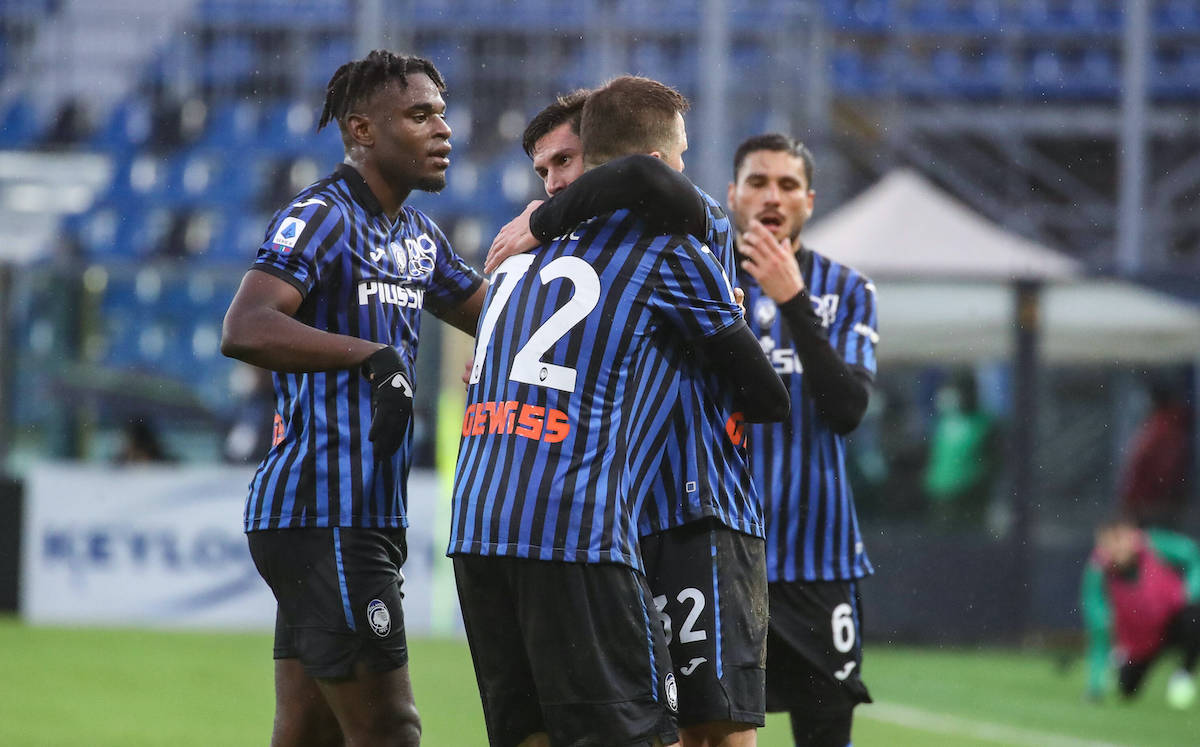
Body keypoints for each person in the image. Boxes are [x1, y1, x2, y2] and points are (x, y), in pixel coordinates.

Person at [450, 77, 788, 747]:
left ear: (598, 158)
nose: (551, 185)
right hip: (596, 520)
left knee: (712, 729)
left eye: (565, 164)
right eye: (541, 171)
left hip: (692, 507)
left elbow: (649, 176)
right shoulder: (557, 257)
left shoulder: (665, 227)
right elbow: (765, 396)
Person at [220, 51, 486, 747]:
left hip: (363, 515)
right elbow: (245, 326)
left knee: (309, 732)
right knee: (391, 728)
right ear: (362, 130)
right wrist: (371, 354)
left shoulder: (418, 237)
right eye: (420, 114)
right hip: (322, 511)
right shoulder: (323, 214)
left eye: (442, 113)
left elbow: (499, 319)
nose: (443, 129)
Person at [728, 133, 879, 747]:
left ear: (809, 202)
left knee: (826, 735)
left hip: (818, 562)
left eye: (787, 185)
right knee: (706, 731)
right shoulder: (698, 281)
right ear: (733, 194)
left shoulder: (847, 290)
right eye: (758, 182)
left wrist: (793, 301)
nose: (772, 196)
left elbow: (847, 410)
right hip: (721, 555)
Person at [1082, 515, 1200, 708]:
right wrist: (1095, 687)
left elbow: (1193, 554)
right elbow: (1099, 630)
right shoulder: (1098, 572)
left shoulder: (1155, 545)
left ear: (1132, 536)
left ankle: (1184, 673)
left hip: (1173, 624)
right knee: (1127, 689)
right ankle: (1122, 660)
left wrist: (1191, 592)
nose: (1116, 548)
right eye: (1109, 542)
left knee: (1194, 618)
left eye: (1120, 539)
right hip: (1142, 641)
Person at [922, 373, 1000, 527]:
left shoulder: (982, 424)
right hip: (939, 491)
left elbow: (994, 458)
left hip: (970, 493)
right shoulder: (940, 424)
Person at [1118, 379, 1193, 529]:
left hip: (1154, 506)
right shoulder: (1168, 426)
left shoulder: (1161, 429)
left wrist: (1132, 502)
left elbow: (1157, 469)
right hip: (1157, 504)